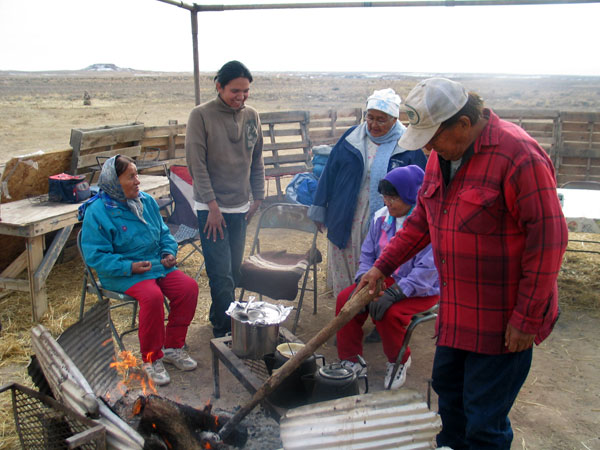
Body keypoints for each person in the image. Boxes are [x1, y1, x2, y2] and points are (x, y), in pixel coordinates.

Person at [358, 78, 568, 449]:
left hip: (501, 318)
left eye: (433, 137)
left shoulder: (518, 156)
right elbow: (422, 220)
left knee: (484, 419)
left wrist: (526, 318)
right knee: (450, 400)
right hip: (457, 312)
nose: (427, 148)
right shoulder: (443, 157)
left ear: (464, 125)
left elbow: (549, 241)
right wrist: (383, 266)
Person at [80, 155, 199, 387]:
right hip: (122, 272)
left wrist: (168, 252)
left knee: (188, 288)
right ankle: (151, 359)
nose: (137, 182)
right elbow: (96, 257)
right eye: (131, 177)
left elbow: (164, 233)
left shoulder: (147, 202)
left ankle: (173, 346)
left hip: (154, 265)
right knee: (152, 296)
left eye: (137, 175)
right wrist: (129, 267)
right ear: (114, 182)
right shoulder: (98, 212)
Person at [308, 88, 427, 301]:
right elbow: (329, 174)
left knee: (380, 262)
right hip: (346, 213)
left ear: (394, 119)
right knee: (344, 262)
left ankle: (376, 317)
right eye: (369, 117)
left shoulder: (408, 145)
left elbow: (422, 185)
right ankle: (346, 311)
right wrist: (319, 208)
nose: (373, 124)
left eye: (381, 120)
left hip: (388, 219)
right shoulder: (352, 138)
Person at [335, 165, 439, 389]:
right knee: (346, 299)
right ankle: (351, 359)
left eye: (394, 198)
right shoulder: (380, 219)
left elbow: (428, 270)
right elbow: (368, 254)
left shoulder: (428, 225)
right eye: (385, 197)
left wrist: (397, 293)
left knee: (388, 312)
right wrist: (362, 280)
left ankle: (399, 359)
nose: (387, 203)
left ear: (411, 196)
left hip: (420, 288)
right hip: (385, 280)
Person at [185, 60, 264, 338]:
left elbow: (256, 158)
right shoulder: (201, 116)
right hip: (211, 208)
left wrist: (258, 196)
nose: (241, 97)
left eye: (245, 91)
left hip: (240, 206)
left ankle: (218, 315)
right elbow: (197, 165)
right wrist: (213, 207)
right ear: (219, 87)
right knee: (220, 273)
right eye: (235, 91)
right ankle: (224, 330)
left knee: (232, 269)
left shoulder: (252, 116)